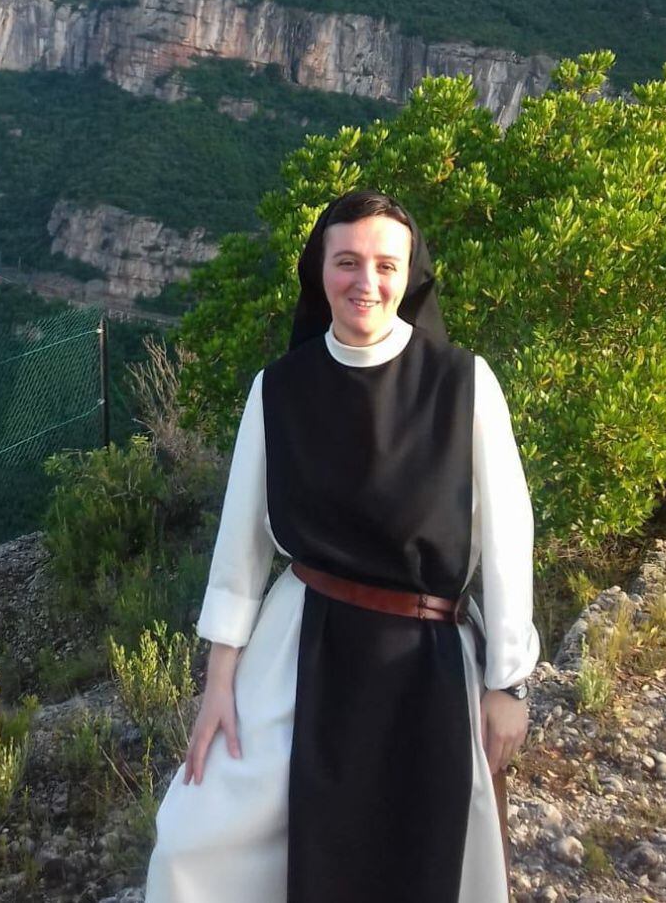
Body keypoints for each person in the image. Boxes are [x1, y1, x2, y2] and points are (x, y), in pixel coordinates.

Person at [145, 189, 540, 903]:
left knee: (419, 863)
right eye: (347, 262)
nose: (367, 282)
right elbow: (241, 551)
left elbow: (508, 539)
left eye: (387, 265)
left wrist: (505, 683)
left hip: (427, 662)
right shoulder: (279, 390)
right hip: (300, 645)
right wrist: (219, 684)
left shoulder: (462, 384)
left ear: (410, 274)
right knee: (193, 841)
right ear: (318, 272)